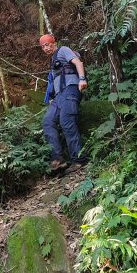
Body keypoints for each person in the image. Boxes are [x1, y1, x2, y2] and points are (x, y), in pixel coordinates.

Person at [39, 34, 87, 173]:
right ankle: (57, 159)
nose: (46, 48)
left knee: (66, 121)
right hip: (59, 96)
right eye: (43, 46)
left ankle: (78, 160)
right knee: (48, 121)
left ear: (53, 43)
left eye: (47, 44)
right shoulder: (52, 62)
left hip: (71, 89)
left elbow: (78, 62)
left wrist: (82, 79)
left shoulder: (63, 50)